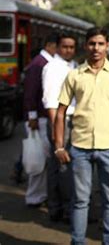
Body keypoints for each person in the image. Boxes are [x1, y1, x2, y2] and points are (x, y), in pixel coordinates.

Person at [54, 27, 109, 245]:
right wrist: (59, 146)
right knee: (80, 201)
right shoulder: (74, 75)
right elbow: (60, 111)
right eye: (92, 44)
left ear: (107, 46)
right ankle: (77, 242)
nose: (96, 48)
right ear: (85, 46)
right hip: (79, 147)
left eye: (100, 44)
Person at [42, 33, 77, 222]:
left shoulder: (71, 66)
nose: (68, 50)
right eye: (65, 47)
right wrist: (58, 135)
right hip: (60, 122)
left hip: (69, 121)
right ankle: (62, 210)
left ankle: (57, 209)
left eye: (72, 47)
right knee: (62, 167)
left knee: (59, 167)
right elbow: (51, 104)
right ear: (57, 47)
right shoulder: (52, 68)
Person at [23, 33, 57, 206]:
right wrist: (32, 116)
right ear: (52, 46)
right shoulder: (40, 64)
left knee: (41, 160)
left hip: (41, 118)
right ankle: (34, 197)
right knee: (38, 160)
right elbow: (30, 92)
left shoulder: (43, 62)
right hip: (39, 119)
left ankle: (40, 195)